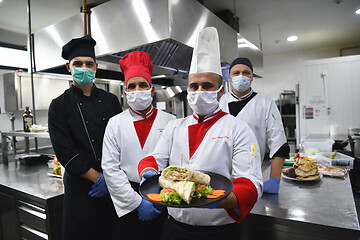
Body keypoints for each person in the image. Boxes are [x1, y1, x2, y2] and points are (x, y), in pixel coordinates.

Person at [137, 27, 263, 240]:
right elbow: (153, 160)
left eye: (207, 86)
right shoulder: (174, 127)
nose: (199, 92)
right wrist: (148, 172)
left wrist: (207, 200)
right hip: (173, 229)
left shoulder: (238, 129)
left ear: (220, 90)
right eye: (193, 86)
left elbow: (250, 184)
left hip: (219, 232)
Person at [48, 34, 122, 240]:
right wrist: (98, 178)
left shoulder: (111, 101)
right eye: (78, 64)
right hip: (81, 192)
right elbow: (65, 151)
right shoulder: (59, 105)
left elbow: (121, 142)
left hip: (113, 186)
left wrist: (111, 179)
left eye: (89, 64)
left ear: (96, 67)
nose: (84, 68)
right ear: (68, 67)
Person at [101, 51, 176, 239]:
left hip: (164, 195)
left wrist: (163, 197)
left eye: (143, 85)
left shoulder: (171, 121)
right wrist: (137, 203)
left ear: (152, 89)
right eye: (131, 86)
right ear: (125, 92)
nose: (137, 90)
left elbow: (176, 163)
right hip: (127, 198)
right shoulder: (115, 123)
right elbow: (110, 169)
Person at [219, 57, 289, 194]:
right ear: (230, 77)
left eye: (246, 73)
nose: (241, 76)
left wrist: (275, 180)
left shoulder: (266, 103)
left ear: (252, 77)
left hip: (251, 177)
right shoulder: (219, 102)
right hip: (220, 176)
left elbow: (278, 143)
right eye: (236, 73)